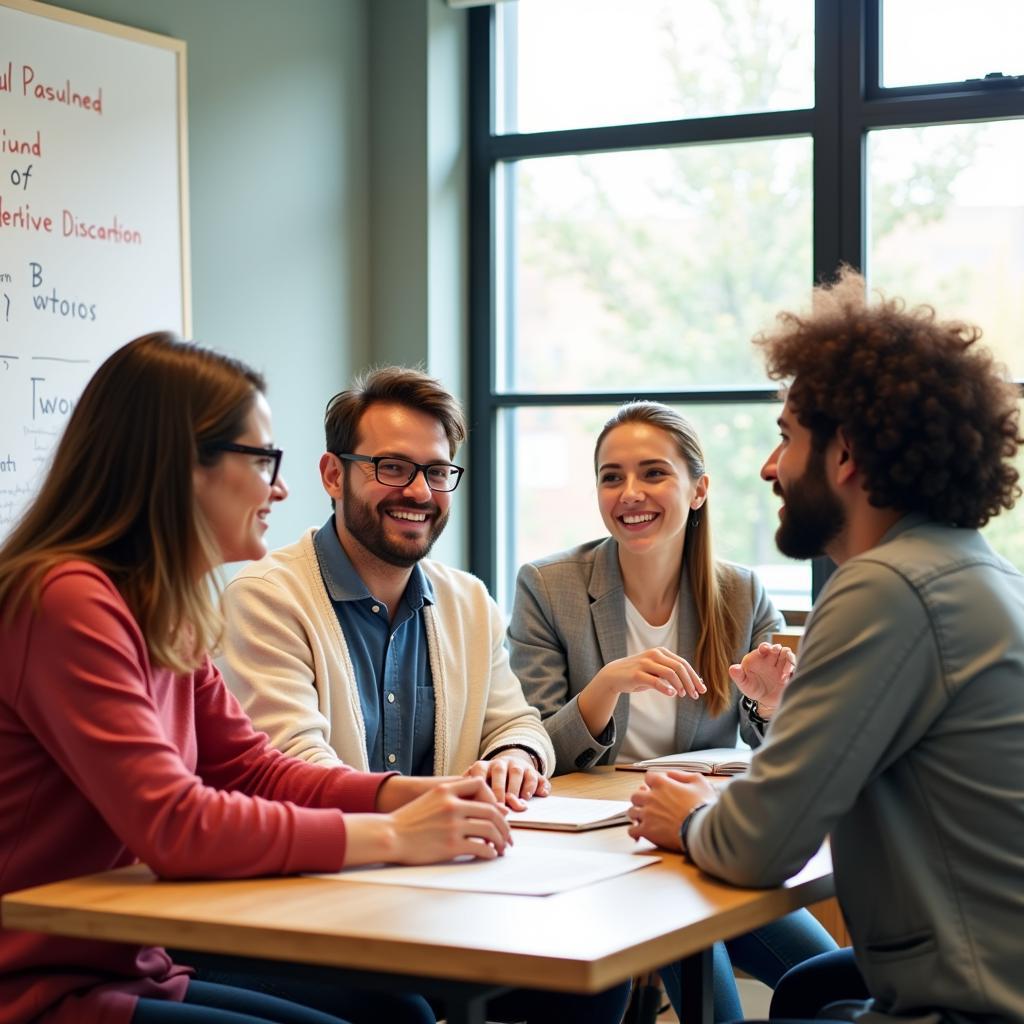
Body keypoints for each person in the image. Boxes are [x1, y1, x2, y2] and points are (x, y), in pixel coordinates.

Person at [0, 334, 516, 1024]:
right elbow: (174, 823)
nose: (280, 487)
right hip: (39, 987)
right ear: (181, 467)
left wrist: (407, 795)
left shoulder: (162, 605)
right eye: (262, 460)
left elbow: (253, 770)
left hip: (136, 962)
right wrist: (396, 835)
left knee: (401, 1013)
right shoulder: (65, 599)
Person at [628, 269, 1024, 1022]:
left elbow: (757, 846)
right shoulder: (977, 569)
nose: (770, 467)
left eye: (786, 438)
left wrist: (685, 817)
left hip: (974, 1004)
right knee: (812, 988)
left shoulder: (886, 587)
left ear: (845, 455)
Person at [218, 367, 628, 1023]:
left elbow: (516, 723)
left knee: (595, 980)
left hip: (436, 890)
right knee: (400, 1010)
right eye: (391, 467)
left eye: (438, 472)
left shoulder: (466, 598)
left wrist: (515, 761)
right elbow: (292, 770)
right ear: (333, 474)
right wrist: (418, 814)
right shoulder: (265, 598)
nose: (419, 491)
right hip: (314, 899)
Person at [507, 401, 835, 1022]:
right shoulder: (548, 586)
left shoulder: (741, 591)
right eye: (611, 476)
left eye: (653, 473)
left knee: (824, 979)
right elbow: (529, 742)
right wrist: (606, 686)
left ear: (699, 489)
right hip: (594, 846)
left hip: (693, 837)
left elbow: (775, 752)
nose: (630, 493)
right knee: (705, 969)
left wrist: (766, 705)